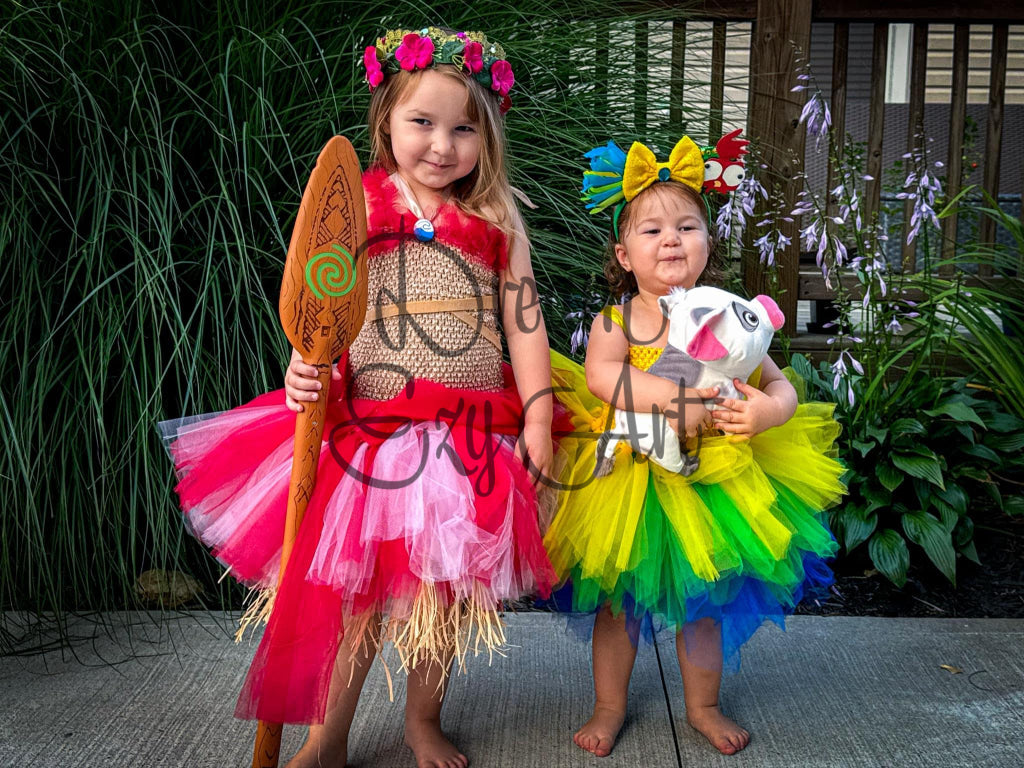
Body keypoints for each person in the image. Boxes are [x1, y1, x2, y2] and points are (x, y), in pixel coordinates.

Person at [164, 27, 555, 768]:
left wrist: (537, 409)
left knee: (440, 598)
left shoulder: (499, 218)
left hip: (467, 436)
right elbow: (322, 314)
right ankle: (329, 736)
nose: (442, 145)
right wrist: (303, 369)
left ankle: (421, 721)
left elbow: (524, 321)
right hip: (372, 429)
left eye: (464, 128)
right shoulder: (360, 207)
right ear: (386, 122)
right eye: (423, 123)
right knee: (356, 604)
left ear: (487, 135)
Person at [545, 135, 846, 758]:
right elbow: (603, 378)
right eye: (652, 231)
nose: (672, 240)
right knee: (618, 604)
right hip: (629, 480)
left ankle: (703, 705)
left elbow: (777, 381)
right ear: (624, 254)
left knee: (704, 603)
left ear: (708, 243)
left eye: (687, 226)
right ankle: (608, 706)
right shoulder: (618, 322)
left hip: (712, 483)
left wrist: (767, 412)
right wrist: (670, 398)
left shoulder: (728, 315)